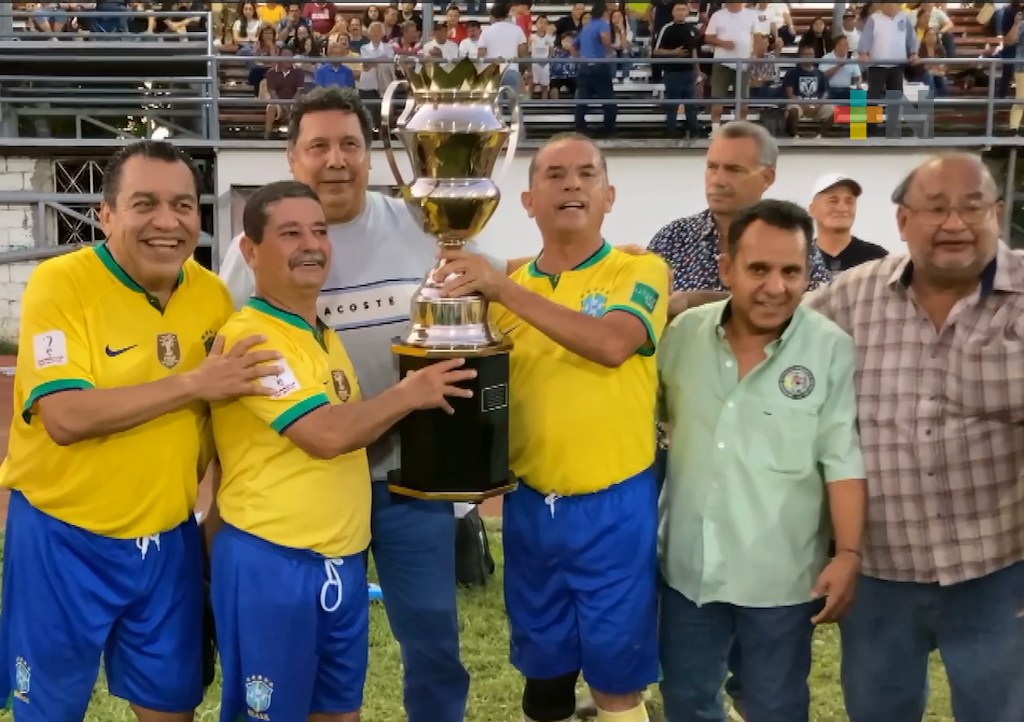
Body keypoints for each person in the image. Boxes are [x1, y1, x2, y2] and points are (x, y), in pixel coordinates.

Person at [217, 86, 512, 722]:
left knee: (431, 641)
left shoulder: (422, 221)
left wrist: (578, 265)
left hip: (410, 476)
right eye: (318, 146)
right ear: (292, 157)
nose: (336, 160)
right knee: (308, 655)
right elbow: (227, 376)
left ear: (372, 155)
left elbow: (501, 279)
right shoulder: (250, 258)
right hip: (310, 490)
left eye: (350, 144)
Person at [0, 140, 281, 722]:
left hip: (167, 542)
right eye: (145, 203)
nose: (167, 222)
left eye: (183, 205)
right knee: (48, 711)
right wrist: (192, 382)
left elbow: (225, 423)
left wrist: (217, 522)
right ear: (106, 215)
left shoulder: (211, 295)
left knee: (170, 707)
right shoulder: (61, 284)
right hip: (62, 538)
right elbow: (66, 417)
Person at [432, 132, 669, 722]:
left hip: (615, 505)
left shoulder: (637, 269)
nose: (572, 185)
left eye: (587, 174)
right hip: (532, 503)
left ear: (609, 196)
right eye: (554, 175)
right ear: (528, 201)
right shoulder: (505, 287)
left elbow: (613, 344)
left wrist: (502, 286)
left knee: (616, 681)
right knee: (544, 678)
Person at [807, 154, 1024, 722]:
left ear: (997, 213)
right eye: (936, 209)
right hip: (880, 572)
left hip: (998, 570)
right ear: (903, 221)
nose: (955, 224)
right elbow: (770, 320)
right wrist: (673, 304)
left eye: (972, 208)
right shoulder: (852, 296)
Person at [657, 199, 866, 722]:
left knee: (775, 705)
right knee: (687, 700)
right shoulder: (682, 337)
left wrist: (848, 554)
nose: (776, 286)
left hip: (782, 579)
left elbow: (841, 457)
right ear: (727, 268)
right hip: (689, 571)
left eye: (791, 271)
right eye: (758, 270)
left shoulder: (830, 349)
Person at [808, 173, 888, 274]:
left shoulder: (876, 259)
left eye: (849, 201)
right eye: (833, 201)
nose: (842, 208)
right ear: (812, 209)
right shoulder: (801, 258)